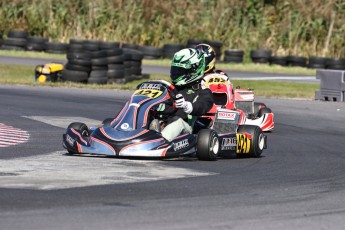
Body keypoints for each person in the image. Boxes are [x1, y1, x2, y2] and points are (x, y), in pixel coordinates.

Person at [150, 48, 214, 142]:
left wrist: (188, 106)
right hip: (163, 122)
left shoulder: (203, 91)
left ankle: (158, 142)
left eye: (180, 71)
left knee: (178, 121)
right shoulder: (170, 88)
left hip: (187, 130)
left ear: (194, 70)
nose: (176, 74)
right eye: (175, 70)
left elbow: (203, 105)